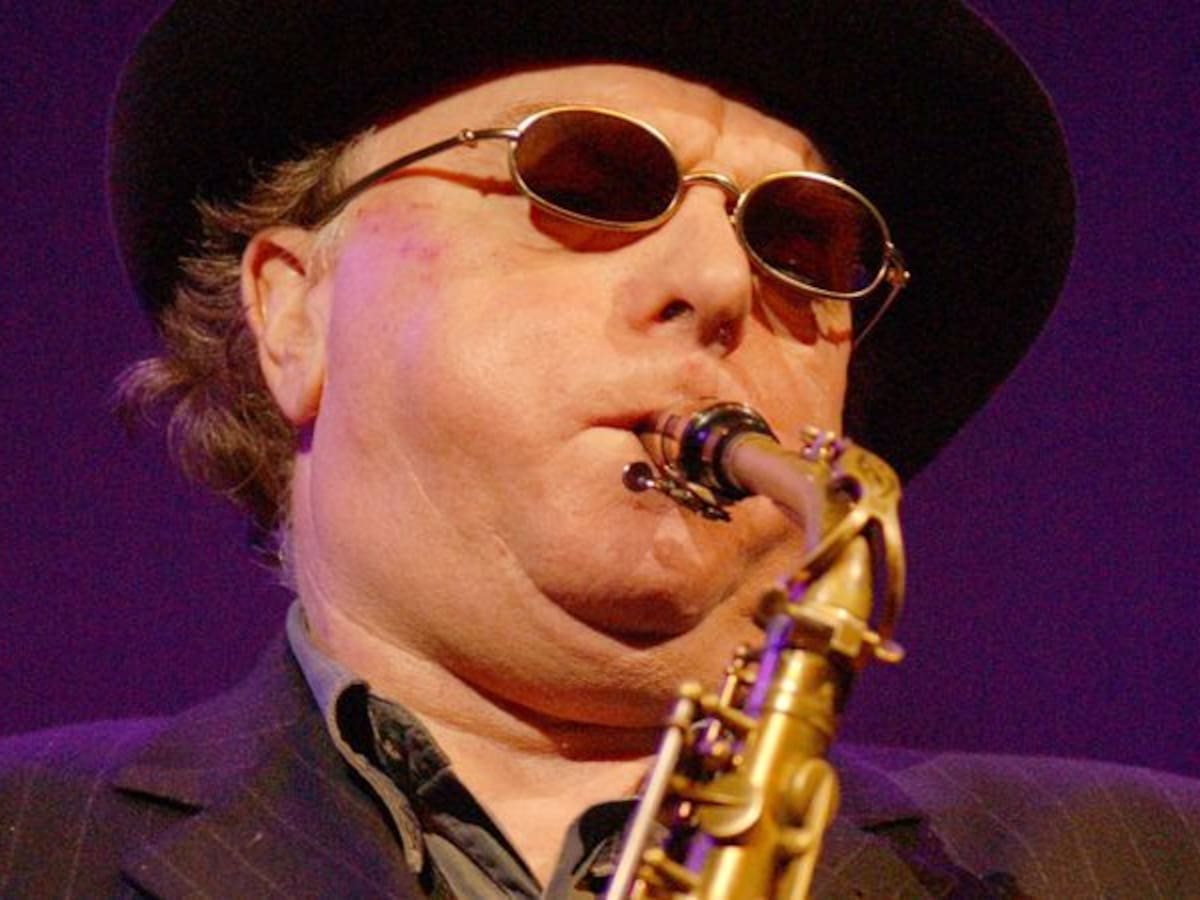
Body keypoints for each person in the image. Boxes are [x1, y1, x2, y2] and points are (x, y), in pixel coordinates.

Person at [3, 1, 1198, 897]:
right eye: (590, 176)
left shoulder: (1147, 863)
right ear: (294, 313)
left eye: (804, 241)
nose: (720, 281)